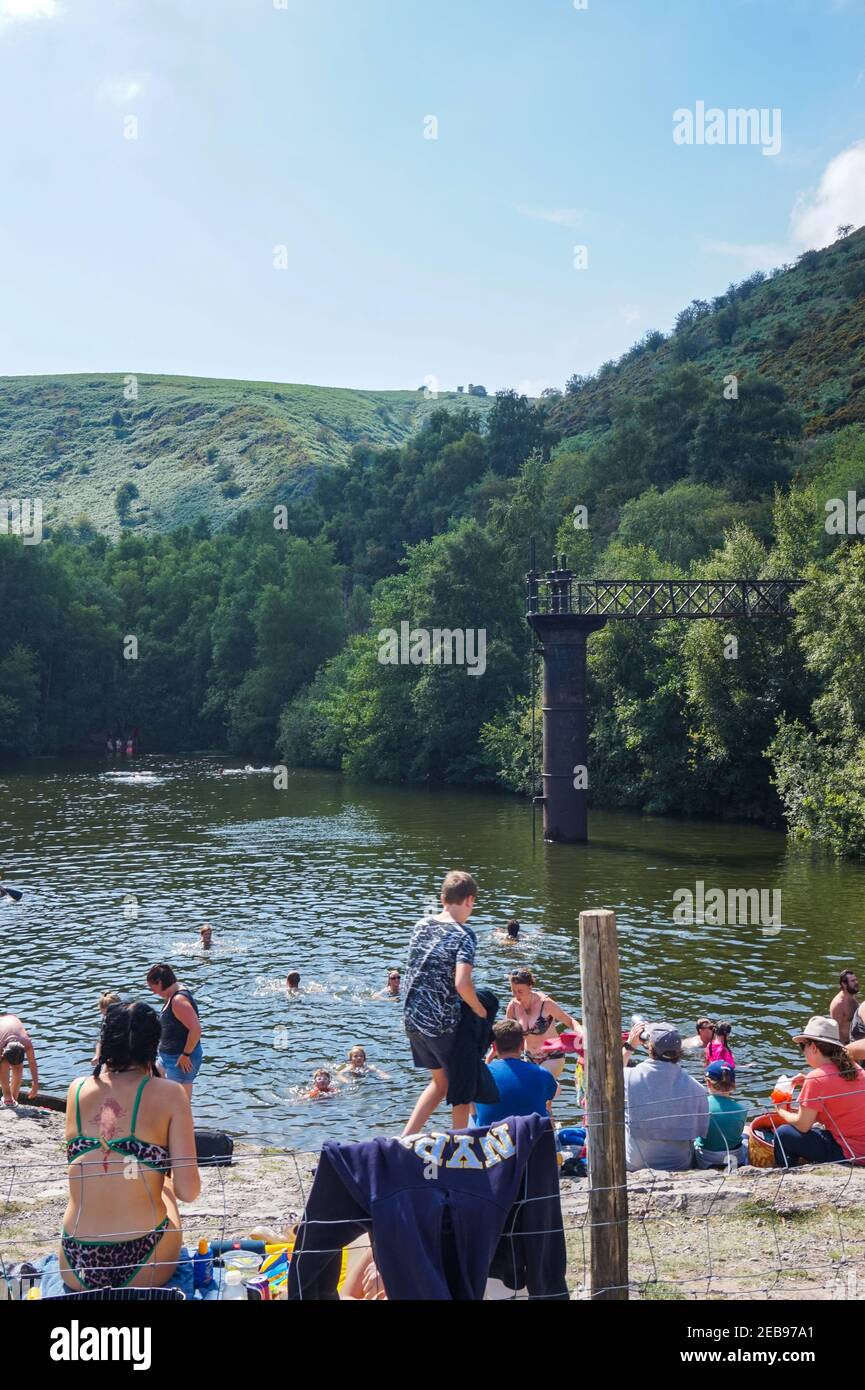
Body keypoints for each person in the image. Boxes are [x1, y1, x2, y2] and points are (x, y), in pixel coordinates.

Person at [60, 1001, 200, 1291]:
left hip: (77, 1263)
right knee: (167, 1189)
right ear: (154, 1044)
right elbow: (189, 1191)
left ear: (105, 1041)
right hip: (145, 1259)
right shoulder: (171, 1093)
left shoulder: (76, 1089)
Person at [401, 869, 487, 1137]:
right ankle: (461, 1147)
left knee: (440, 1084)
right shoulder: (464, 935)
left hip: (412, 1018)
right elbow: (462, 984)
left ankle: (404, 1139)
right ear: (470, 900)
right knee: (461, 1086)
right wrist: (479, 1009)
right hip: (440, 1023)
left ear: (442, 898)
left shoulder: (421, 925)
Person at [773, 1016, 865, 1167]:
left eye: (803, 1046)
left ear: (814, 1047)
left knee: (784, 1134)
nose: (803, 1052)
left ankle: (789, 1172)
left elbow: (803, 1125)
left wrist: (781, 1110)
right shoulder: (855, 1068)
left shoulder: (815, 1079)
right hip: (861, 1147)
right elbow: (839, 1097)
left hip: (850, 1152)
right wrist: (807, 1084)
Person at [622, 1021, 709, 1172]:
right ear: (679, 1051)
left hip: (635, 1163)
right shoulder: (697, 1089)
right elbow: (700, 1132)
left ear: (650, 1049)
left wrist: (630, 1045)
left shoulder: (628, 1077)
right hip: (679, 1163)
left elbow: (606, 1073)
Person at [472, 1019, 558, 1128]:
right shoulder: (542, 1073)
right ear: (522, 1044)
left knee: (472, 1099)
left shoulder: (478, 1075)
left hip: (491, 1141)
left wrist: (487, 1061)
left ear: (494, 1047)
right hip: (534, 1141)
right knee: (546, 1106)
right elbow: (550, 1095)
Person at [505, 969, 581, 1079]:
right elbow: (505, 1033)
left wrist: (581, 1034)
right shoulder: (513, 1006)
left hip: (552, 1056)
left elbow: (570, 1021)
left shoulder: (545, 1004)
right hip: (529, 1056)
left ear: (530, 987)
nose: (517, 995)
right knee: (533, 1093)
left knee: (539, 1084)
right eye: (513, 991)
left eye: (520, 991)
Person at [145, 965, 203, 1097]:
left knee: (178, 1103)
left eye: (152, 987)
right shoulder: (172, 993)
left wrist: (186, 1054)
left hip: (180, 1059)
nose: (153, 991)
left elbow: (196, 1030)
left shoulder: (178, 1000)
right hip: (167, 1057)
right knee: (151, 1085)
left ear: (160, 982)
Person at [693, 1061, 748, 1169]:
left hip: (706, 1160)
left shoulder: (701, 1105)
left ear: (708, 1082)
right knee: (747, 1132)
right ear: (733, 1085)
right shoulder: (741, 1109)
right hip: (734, 1159)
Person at [0, 1013, 39, 1105]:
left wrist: (36, 1084)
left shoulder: (26, 1043)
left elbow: (32, 1062)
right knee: (3, 1065)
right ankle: (7, 1097)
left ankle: (13, 1098)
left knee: (18, 1066)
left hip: (13, 1021)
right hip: (3, 1027)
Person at [91, 991, 122, 1066]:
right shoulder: (106, 1023)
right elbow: (101, 1039)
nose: (108, 1018)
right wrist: (97, 1055)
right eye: (105, 1015)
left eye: (110, 1015)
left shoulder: (131, 1020)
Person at [831, 970, 861, 1045]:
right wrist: (844, 1050)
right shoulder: (838, 1004)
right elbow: (835, 1030)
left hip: (857, 1041)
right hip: (847, 1045)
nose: (856, 982)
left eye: (856, 980)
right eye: (853, 981)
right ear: (844, 984)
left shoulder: (852, 997)